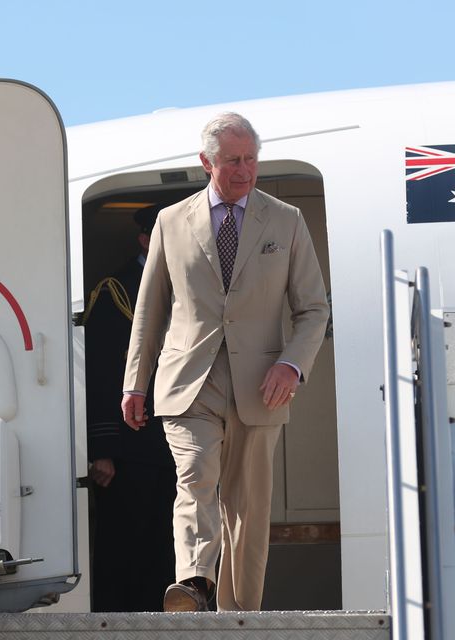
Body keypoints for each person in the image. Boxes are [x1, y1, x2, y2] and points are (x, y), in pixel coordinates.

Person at [121, 113, 330, 612]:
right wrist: (135, 383)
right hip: (189, 381)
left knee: (248, 511)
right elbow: (150, 311)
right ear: (206, 162)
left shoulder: (286, 219)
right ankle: (194, 583)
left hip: (262, 385)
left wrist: (292, 365)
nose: (244, 170)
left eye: (251, 159)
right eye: (233, 160)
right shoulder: (171, 222)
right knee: (195, 478)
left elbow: (314, 309)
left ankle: (239, 618)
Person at [85, 205, 177, 612]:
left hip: (177, 439)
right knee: (125, 544)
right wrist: (102, 447)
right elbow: (100, 370)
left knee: (170, 542)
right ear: (144, 240)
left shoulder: (192, 284)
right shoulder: (116, 290)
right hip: (128, 445)